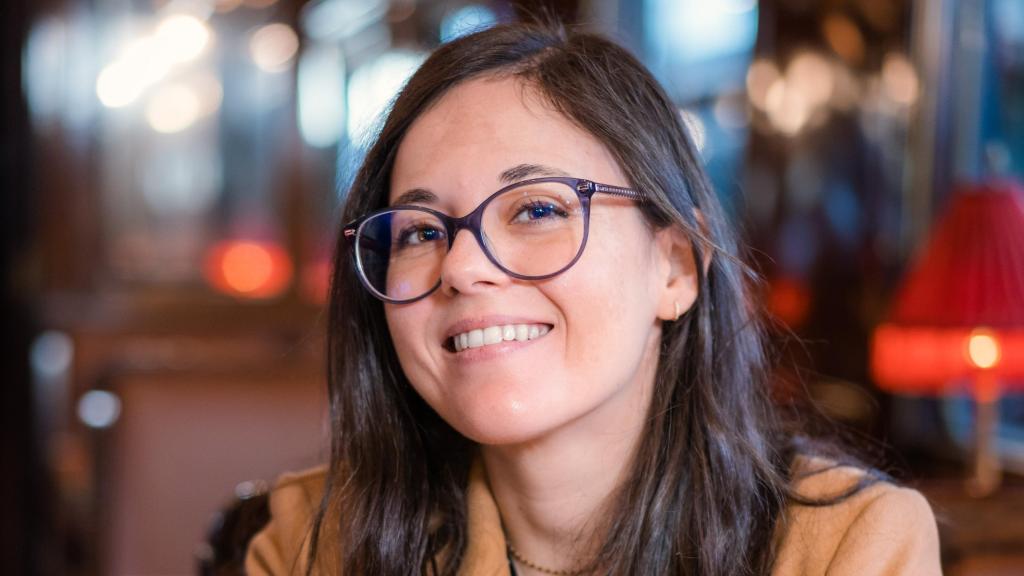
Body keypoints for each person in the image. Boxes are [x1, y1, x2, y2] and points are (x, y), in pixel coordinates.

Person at [245, 20, 941, 576]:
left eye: (537, 211)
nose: (461, 266)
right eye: (422, 230)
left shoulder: (846, 548)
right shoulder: (314, 543)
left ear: (675, 268)